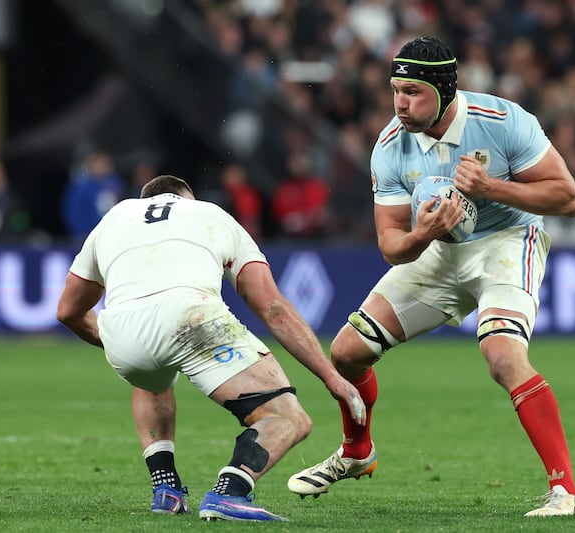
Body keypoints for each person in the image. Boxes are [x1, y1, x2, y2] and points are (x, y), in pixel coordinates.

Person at [286, 36, 575, 517]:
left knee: (502, 356)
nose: (400, 104)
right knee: (347, 352)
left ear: (445, 90)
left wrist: (491, 187)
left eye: (413, 92)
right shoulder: (389, 145)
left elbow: (567, 198)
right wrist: (424, 233)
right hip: (435, 250)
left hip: (506, 244)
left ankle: (569, 494)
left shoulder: (503, 121)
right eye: (395, 90)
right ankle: (356, 452)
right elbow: (391, 244)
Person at [56, 174, 365, 522]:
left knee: (153, 377)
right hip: (190, 316)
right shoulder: (209, 213)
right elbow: (272, 308)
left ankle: (166, 489)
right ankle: (229, 493)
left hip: (120, 332)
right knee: (287, 417)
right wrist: (330, 377)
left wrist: (115, 343)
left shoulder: (113, 218)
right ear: (187, 198)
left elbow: (67, 311)